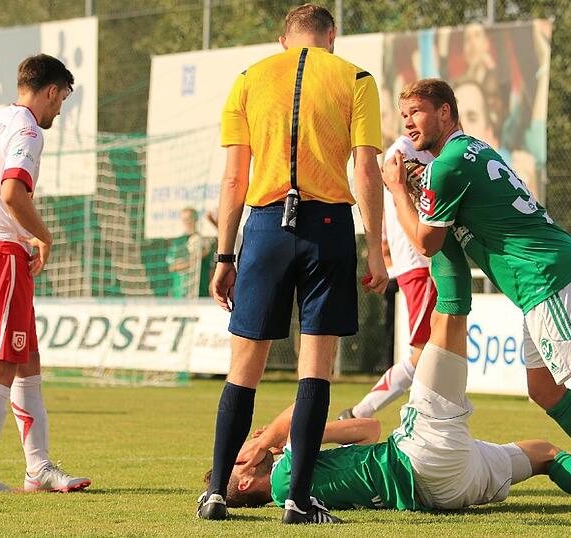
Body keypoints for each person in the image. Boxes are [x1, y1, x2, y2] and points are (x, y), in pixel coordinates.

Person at [383, 78, 571, 521]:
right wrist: (423, 183)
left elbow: (426, 241)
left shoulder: (449, 164)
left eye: (418, 112)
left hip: (545, 275)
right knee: (543, 389)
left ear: (445, 113)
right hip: (541, 276)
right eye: (404, 115)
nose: (409, 122)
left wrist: (399, 190)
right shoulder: (468, 151)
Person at [198, 4, 387, 524]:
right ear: (332, 36)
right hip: (327, 228)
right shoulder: (357, 78)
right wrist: (377, 247)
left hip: (262, 228)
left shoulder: (248, 79)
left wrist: (224, 254)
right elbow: (366, 171)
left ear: (284, 40)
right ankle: (298, 500)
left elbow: (234, 179)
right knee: (315, 368)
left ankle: (216, 492)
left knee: (244, 368)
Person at [217, 332, 571, 515]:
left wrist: (276, 441)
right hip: (421, 456)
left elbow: (367, 428)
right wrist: (269, 441)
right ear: (244, 477)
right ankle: (447, 231)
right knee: (440, 334)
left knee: (542, 452)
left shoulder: (295, 478)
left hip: (445, 490)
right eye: (240, 453)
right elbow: (308, 414)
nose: (250, 441)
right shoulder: (284, 479)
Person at [0, 54, 89, 493]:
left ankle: (38, 469)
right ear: (51, 90)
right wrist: (42, 236)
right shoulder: (28, 128)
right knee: (3, 364)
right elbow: (13, 192)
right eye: (63, 99)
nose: (60, 109)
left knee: (26, 359)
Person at [338, 134, 435, 421]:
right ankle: (359, 413)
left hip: (422, 263)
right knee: (423, 354)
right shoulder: (403, 151)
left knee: (439, 351)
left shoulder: (417, 152)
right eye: (409, 113)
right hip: (421, 265)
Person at [166, 207, 212, 298]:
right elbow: (172, 267)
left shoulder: (205, 242)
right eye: (185, 219)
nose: (187, 222)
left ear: (196, 219)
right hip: (181, 293)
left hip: (201, 292)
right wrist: (193, 261)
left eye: (190, 218)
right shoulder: (177, 243)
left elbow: (212, 268)